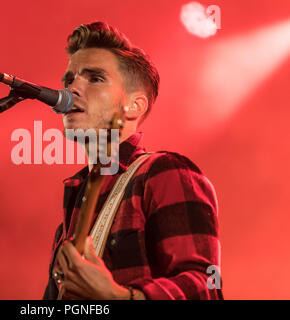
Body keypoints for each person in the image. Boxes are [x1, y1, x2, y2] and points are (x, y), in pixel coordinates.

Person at [42, 21, 222, 300]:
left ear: (134, 106)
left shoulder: (164, 172)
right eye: (69, 80)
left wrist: (118, 296)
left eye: (95, 78)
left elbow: (206, 287)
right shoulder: (74, 205)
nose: (71, 89)